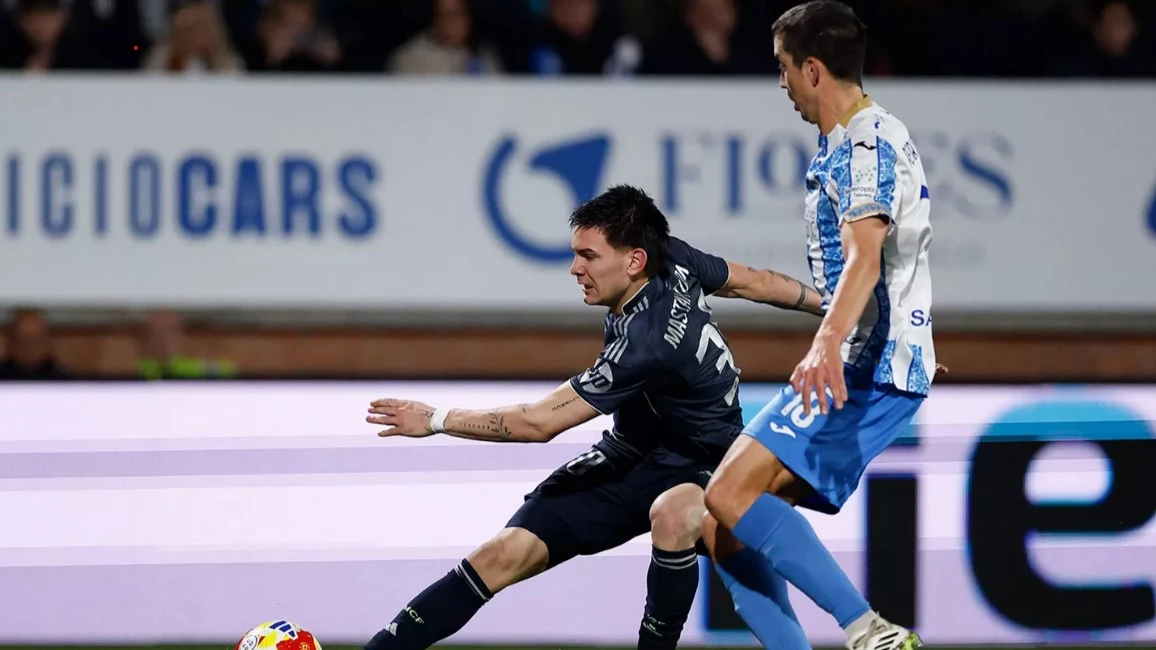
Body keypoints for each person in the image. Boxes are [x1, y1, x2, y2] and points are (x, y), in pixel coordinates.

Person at [361, 184, 825, 650]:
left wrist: (436, 418)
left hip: (709, 463)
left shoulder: (647, 344)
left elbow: (537, 423)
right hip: (633, 454)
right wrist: (831, 305)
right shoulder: (674, 258)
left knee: (680, 522)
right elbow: (755, 282)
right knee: (502, 554)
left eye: (588, 256)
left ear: (634, 261)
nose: (575, 268)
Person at [699, 3, 937, 650]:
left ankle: (868, 630)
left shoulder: (866, 143)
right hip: (876, 356)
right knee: (721, 527)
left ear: (812, 70)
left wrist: (829, 343)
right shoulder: (856, 141)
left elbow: (865, 254)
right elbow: (887, 263)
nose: (780, 84)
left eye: (782, 68)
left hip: (862, 366)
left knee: (725, 493)